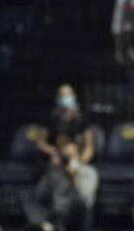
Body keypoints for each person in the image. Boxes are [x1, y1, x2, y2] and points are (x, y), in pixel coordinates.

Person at [35, 84, 99, 213]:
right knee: (57, 186)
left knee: (86, 186)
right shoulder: (51, 118)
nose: (65, 97)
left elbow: (89, 148)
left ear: (74, 97)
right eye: (61, 94)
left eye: (68, 94)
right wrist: (54, 152)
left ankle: (81, 216)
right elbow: (40, 143)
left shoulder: (81, 120)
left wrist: (77, 162)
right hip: (57, 164)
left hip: (78, 164)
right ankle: (59, 219)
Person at [23, 139, 91, 231]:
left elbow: (86, 199)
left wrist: (73, 176)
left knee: (63, 184)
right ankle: (47, 225)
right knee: (26, 195)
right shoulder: (52, 173)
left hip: (71, 212)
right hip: (51, 211)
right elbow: (40, 195)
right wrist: (51, 168)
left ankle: (52, 224)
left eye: (69, 150)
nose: (64, 152)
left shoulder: (87, 171)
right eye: (62, 151)